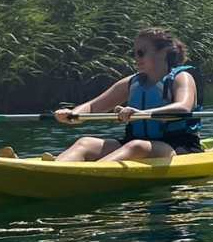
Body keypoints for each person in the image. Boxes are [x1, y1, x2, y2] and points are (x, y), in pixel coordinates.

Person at [49, 28, 202, 162]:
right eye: (134, 53)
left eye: (141, 53)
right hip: (136, 143)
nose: (136, 58)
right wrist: (73, 114)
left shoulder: (181, 77)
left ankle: (90, 174)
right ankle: (57, 169)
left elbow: (184, 108)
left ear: (163, 52)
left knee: (136, 146)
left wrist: (142, 114)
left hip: (177, 146)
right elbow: (93, 106)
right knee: (85, 143)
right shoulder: (131, 83)